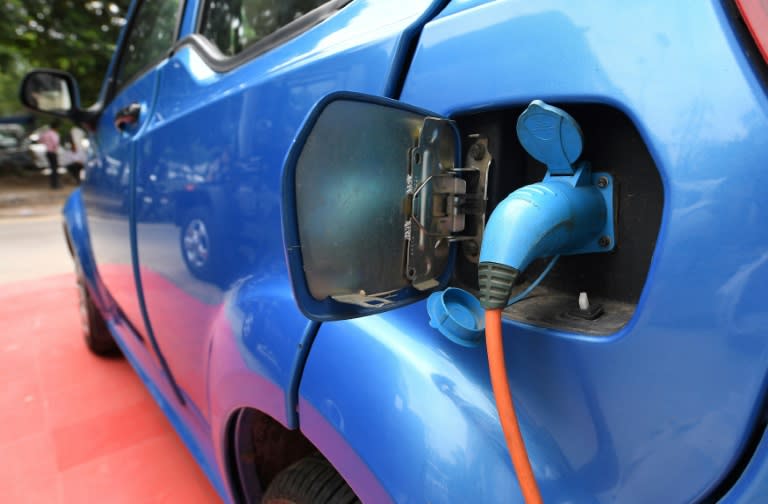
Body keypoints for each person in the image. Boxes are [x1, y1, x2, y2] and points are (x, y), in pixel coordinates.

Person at [39, 121, 61, 189]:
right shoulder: (54, 134)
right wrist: (55, 149)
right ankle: (56, 184)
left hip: (48, 152)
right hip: (53, 152)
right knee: (55, 169)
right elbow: (55, 143)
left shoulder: (46, 133)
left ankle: (53, 184)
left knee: (52, 168)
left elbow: (40, 140)